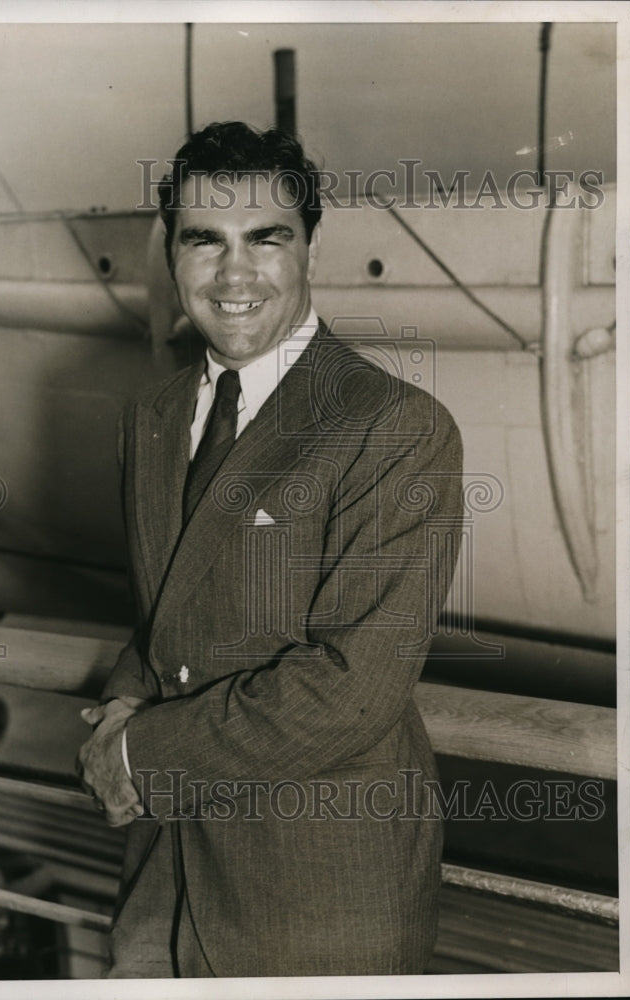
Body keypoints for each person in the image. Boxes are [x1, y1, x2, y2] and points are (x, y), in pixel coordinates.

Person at [77, 121, 463, 978]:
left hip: (317, 891)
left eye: (265, 238)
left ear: (310, 250)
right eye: (203, 240)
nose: (234, 273)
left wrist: (138, 754)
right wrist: (120, 705)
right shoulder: (151, 417)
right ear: (171, 255)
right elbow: (165, 618)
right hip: (162, 871)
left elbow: (354, 687)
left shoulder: (392, 425)